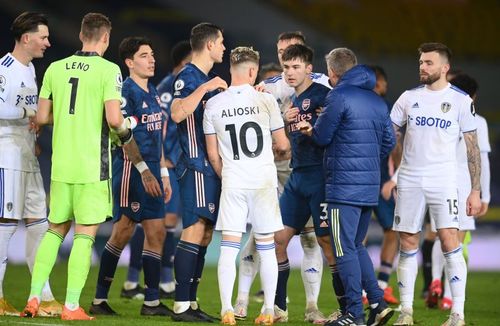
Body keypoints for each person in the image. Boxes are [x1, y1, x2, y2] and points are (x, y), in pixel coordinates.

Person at [20, 13, 157, 321]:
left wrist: (73, 117)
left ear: (82, 35)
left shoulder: (55, 68)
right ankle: (70, 306)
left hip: (61, 165)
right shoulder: (109, 71)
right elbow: (112, 119)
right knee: (85, 234)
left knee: (55, 230)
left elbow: (41, 117)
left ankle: (33, 297)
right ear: (105, 38)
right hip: (93, 165)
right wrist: (125, 127)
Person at [235, 31, 329, 324]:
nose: (286, 62)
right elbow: (245, 119)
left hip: (303, 171)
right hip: (269, 171)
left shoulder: (323, 85)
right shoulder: (267, 88)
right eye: (281, 54)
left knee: (311, 239)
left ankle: (312, 305)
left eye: (292, 54)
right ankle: (242, 300)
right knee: (261, 236)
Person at [297, 47, 395, 326]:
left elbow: (324, 135)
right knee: (356, 245)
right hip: (368, 186)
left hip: (343, 186)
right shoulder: (377, 100)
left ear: (332, 72)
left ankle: (354, 313)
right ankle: (376, 302)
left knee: (344, 250)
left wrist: (310, 129)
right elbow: (388, 142)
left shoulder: (337, 95)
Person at [391, 43, 481, 326]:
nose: (422, 67)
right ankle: (406, 312)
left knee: (449, 239)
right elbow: (391, 133)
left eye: (429, 62)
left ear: (444, 68)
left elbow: (472, 149)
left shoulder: (461, 101)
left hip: (444, 180)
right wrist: (396, 170)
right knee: (407, 240)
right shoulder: (408, 98)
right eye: (421, 62)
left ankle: (457, 314)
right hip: (410, 178)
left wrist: (475, 190)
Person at [203, 46, 289, 326]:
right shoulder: (266, 102)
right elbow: (283, 144)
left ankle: (228, 309)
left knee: (229, 247)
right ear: (253, 71)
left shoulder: (213, 104)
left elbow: (213, 154)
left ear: (231, 69)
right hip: (263, 181)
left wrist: (225, 173)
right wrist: (280, 150)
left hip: (234, 182)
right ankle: (266, 310)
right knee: (266, 248)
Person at [88, 36, 172, 316]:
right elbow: (123, 136)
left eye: (151, 55)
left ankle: (150, 302)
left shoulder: (153, 93)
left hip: (152, 171)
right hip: (130, 170)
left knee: (157, 232)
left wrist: (162, 173)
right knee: (123, 232)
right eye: (144, 56)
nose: (152, 60)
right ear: (129, 62)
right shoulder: (126, 92)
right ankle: (99, 300)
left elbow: (157, 136)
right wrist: (144, 171)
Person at [0, 11, 62, 317]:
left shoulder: (31, 69)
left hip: (27, 155)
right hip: (6, 157)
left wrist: (33, 132)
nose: (48, 43)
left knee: (40, 223)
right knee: (6, 226)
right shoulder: (5, 70)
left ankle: (43, 296)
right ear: (27, 38)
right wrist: (30, 116)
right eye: (43, 37)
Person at [121, 40, 191, 300]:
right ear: (182, 64)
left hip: (172, 165)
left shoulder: (176, 89)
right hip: (157, 164)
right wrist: (163, 164)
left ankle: (151, 283)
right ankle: (151, 280)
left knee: (160, 225)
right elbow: (154, 130)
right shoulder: (163, 90)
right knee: (155, 223)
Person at [271, 43, 335, 323]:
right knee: (277, 240)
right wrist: (285, 123)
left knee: (326, 242)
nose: (290, 72)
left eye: (296, 67)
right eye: (286, 67)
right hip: (297, 176)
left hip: (319, 177)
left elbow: (334, 133)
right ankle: (279, 308)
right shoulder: (292, 102)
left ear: (310, 69)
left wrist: (315, 129)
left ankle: (346, 308)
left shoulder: (324, 96)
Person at [169, 22, 228, 322]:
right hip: (193, 165)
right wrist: (206, 87)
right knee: (193, 231)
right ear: (208, 45)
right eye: (220, 42)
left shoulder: (203, 77)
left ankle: (191, 303)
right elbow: (177, 113)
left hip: (208, 167)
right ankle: (180, 305)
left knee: (204, 234)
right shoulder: (189, 77)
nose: (223, 48)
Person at [427, 72, 491, 311]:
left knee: (439, 234)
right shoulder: (478, 121)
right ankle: (447, 296)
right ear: (472, 96)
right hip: (464, 184)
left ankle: (435, 278)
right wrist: (484, 195)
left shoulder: (437, 118)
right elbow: (481, 160)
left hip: (438, 181)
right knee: (457, 241)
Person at [367, 65, 401, 305]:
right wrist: (397, 177)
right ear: (379, 84)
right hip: (378, 180)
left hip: (362, 179)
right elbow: (396, 146)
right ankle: (378, 285)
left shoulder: (349, 101)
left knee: (359, 235)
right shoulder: (386, 108)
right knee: (392, 230)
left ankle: (372, 287)